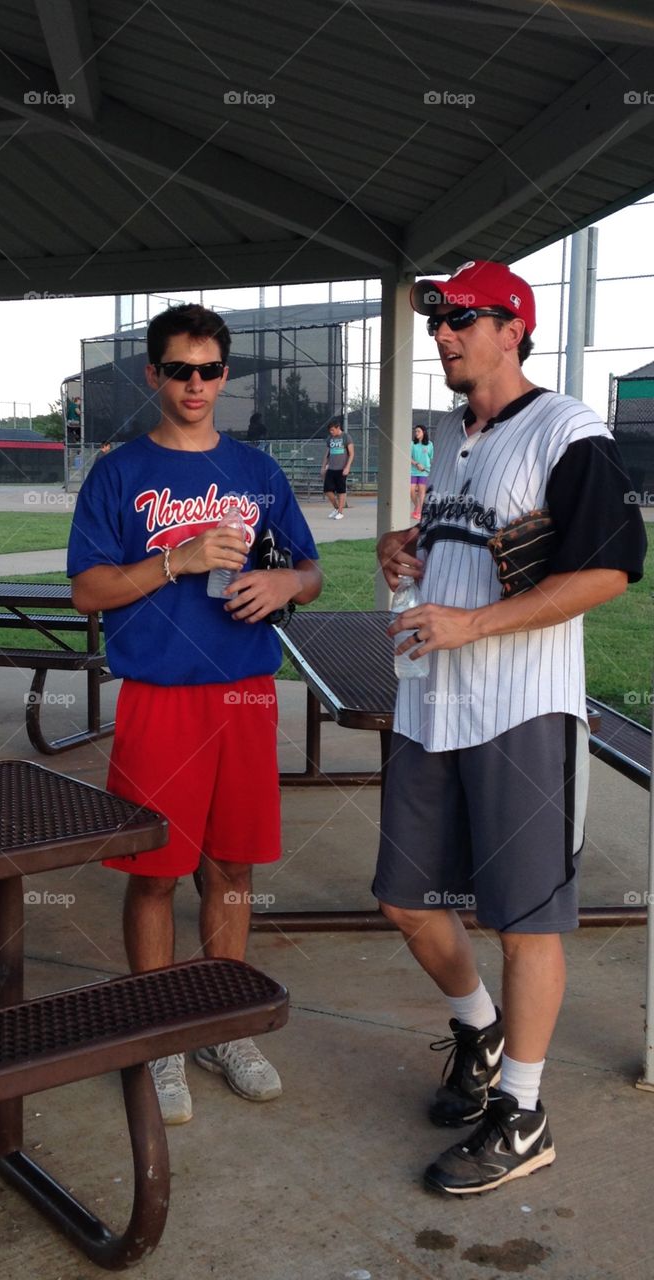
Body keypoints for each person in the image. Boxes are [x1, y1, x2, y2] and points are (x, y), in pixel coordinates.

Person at [375, 260, 646, 1196]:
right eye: (438, 321)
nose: (442, 334)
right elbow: (465, 546)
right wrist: (405, 551)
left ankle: (522, 1113)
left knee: (522, 920)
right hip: (430, 706)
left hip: (521, 710)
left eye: (460, 319)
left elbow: (610, 570)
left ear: (512, 327)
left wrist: (474, 623)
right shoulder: (455, 436)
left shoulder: (568, 429)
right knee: (406, 902)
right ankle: (478, 1029)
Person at [67, 303, 321, 1125]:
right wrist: (174, 559)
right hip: (159, 696)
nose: (196, 385)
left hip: (244, 693)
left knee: (234, 867)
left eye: (210, 371)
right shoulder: (119, 473)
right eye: (180, 370)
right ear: (154, 375)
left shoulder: (256, 471)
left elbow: (309, 569)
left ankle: (219, 1023)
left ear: (224, 376)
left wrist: (286, 584)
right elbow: (86, 592)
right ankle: (157, 1037)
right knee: (155, 872)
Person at [321, 417, 354, 519]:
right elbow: (327, 454)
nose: (331, 432)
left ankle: (340, 512)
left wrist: (347, 467)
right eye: (330, 430)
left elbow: (352, 454)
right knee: (327, 490)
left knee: (341, 491)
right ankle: (336, 508)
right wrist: (323, 467)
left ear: (338, 427)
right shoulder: (330, 439)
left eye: (332, 430)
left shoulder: (346, 437)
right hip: (331, 468)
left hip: (342, 469)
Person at [410, 424, 433, 520]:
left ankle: (420, 511)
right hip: (413, 471)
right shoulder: (412, 444)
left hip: (424, 472)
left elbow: (431, 458)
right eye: (415, 431)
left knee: (421, 491)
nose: (416, 433)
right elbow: (408, 457)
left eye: (418, 431)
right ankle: (417, 507)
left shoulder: (430, 444)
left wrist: (427, 468)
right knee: (410, 490)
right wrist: (416, 464)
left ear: (423, 432)